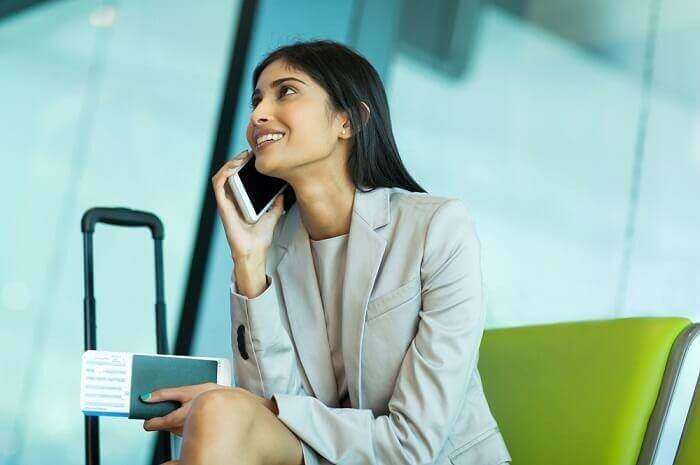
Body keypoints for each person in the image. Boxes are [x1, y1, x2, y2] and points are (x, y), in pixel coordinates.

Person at [141, 39, 511, 465]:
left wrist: (259, 410)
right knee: (219, 412)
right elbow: (267, 403)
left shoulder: (436, 228)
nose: (258, 115)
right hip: (327, 456)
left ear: (348, 121)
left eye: (287, 92)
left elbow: (410, 446)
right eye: (257, 99)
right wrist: (248, 262)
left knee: (219, 410)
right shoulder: (276, 248)